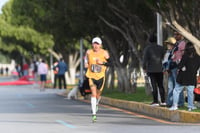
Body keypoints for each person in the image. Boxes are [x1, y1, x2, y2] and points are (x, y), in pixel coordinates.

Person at [169, 42, 200, 111]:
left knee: (176, 91)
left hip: (182, 77)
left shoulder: (185, 56)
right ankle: (190, 106)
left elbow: (180, 66)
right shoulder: (198, 57)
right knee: (190, 92)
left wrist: (178, 62)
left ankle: (175, 105)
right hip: (192, 77)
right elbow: (197, 67)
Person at [84, 37, 109, 122]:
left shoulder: (104, 53)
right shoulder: (89, 52)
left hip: (101, 77)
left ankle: (96, 103)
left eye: (97, 44)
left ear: (100, 45)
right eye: (94, 43)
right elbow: (86, 60)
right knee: (93, 94)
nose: (95, 45)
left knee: (98, 94)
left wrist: (103, 63)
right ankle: (94, 114)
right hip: (91, 76)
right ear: (92, 44)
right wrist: (86, 64)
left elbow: (111, 63)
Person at [143, 34, 166, 106]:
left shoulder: (147, 48)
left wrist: (144, 67)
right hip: (160, 69)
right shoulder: (161, 48)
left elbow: (145, 59)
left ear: (149, 40)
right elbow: (163, 58)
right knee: (161, 85)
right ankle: (163, 101)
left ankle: (155, 101)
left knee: (153, 86)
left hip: (151, 70)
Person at [166, 32, 186, 107]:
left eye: (177, 34)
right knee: (171, 86)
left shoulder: (182, 44)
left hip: (177, 67)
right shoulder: (175, 44)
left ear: (181, 35)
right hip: (171, 67)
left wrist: (181, 67)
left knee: (178, 86)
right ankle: (170, 102)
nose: (175, 36)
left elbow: (183, 56)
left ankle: (180, 103)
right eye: (174, 34)